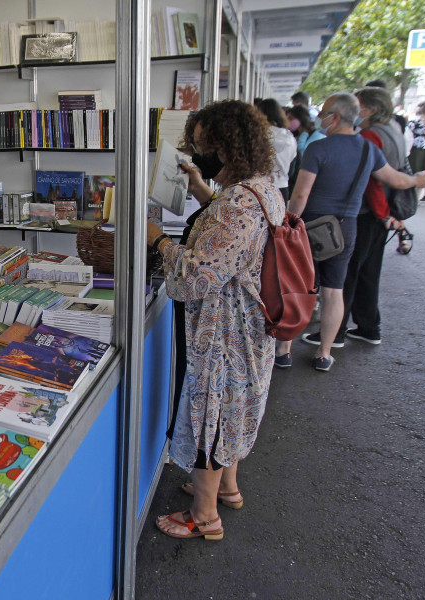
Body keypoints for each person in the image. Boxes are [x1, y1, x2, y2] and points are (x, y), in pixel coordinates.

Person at [147, 100, 285, 542]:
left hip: (224, 330)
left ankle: (204, 516)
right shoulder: (260, 188)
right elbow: (232, 237)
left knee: (212, 411)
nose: (198, 152)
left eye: (205, 146)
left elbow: (196, 278)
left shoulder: (236, 205)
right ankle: (227, 486)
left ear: (227, 147)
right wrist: (202, 189)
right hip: (251, 325)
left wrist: (158, 243)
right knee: (233, 408)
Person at [275, 92, 425, 371]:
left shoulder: (319, 149)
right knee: (334, 290)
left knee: (298, 287)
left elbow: (300, 195)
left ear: (334, 117)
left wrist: (288, 224)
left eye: (323, 114)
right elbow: (395, 179)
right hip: (347, 228)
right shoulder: (368, 150)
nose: (320, 119)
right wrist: (418, 179)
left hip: (311, 227)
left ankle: (284, 350)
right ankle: (324, 353)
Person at [334, 87, 408, 347]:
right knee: (369, 271)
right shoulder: (395, 131)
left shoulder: (369, 135)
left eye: (359, 104)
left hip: (369, 212)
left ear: (371, 109)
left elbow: (372, 181)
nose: (356, 110)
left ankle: (337, 331)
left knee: (349, 271)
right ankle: (368, 326)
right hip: (384, 212)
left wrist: (382, 212)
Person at [256, 98, 297, 201]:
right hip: (282, 188)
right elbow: (292, 160)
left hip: (260, 188)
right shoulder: (290, 137)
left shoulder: (258, 135)